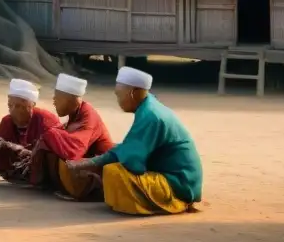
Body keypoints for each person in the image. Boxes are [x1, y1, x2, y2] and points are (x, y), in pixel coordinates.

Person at [68, 66, 203, 216]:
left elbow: (134, 163)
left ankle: (167, 202)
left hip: (178, 184)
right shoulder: (149, 107)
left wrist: (91, 163)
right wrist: (94, 161)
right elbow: (129, 148)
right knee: (113, 160)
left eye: (119, 95)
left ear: (133, 93)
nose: (118, 101)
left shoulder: (151, 116)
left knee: (114, 171)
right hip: (182, 179)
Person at [29, 73, 114, 201]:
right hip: (87, 162)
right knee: (50, 144)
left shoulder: (88, 115)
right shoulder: (74, 115)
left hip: (101, 168)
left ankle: (78, 192)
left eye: (57, 97)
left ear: (69, 99)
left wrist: (52, 133)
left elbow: (75, 149)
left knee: (54, 142)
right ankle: (57, 186)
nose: (54, 100)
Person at [0, 79, 61, 183]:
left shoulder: (46, 119)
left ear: (31, 106)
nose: (12, 110)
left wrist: (17, 149)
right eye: (10, 105)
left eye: (18, 106)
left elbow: (51, 154)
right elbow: (3, 147)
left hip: (43, 168)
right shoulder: (7, 121)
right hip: (18, 168)